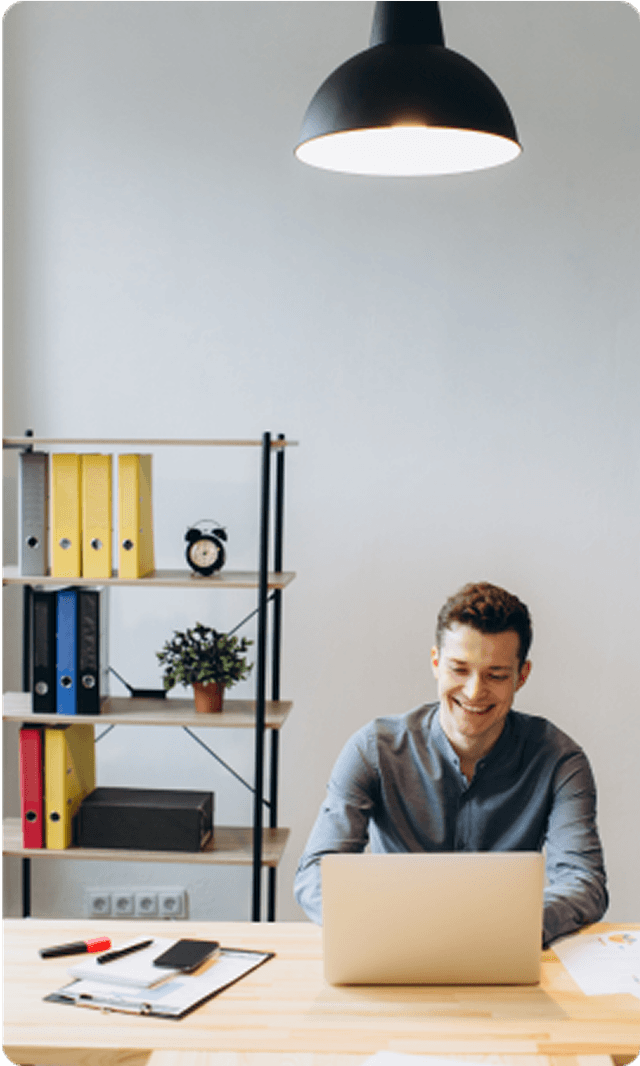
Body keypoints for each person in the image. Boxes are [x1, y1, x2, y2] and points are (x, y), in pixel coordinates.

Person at [294, 581, 608, 947]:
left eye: (496, 675)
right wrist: (379, 924)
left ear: (521, 676)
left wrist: (513, 925)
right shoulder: (373, 750)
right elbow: (316, 872)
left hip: (503, 950)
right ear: (435, 662)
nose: (475, 692)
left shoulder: (560, 761)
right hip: (394, 948)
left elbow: (583, 882)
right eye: (459, 669)